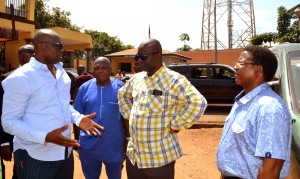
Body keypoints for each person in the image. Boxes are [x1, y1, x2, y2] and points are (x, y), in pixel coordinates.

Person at [1, 29, 104, 179]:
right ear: (42, 46)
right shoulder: (21, 78)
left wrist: (78, 118)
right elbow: (9, 122)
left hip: (64, 155)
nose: (62, 50)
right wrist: (44, 137)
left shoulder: (61, 73)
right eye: (58, 46)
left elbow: (62, 106)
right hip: (35, 156)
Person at [118, 38, 207, 179]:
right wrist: (130, 114)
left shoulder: (174, 80)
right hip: (134, 156)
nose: (138, 60)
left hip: (159, 158)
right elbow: (122, 94)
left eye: (143, 57)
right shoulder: (137, 79)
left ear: (158, 55)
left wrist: (177, 124)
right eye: (136, 56)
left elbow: (198, 103)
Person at [216, 46, 292, 179]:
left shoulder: (269, 108)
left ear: (258, 69)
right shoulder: (243, 101)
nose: (235, 66)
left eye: (242, 63)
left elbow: (271, 167)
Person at [74, 57, 125, 179]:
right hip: (88, 146)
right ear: (93, 70)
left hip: (114, 145)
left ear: (110, 70)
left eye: (104, 68)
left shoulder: (121, 88)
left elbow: (127, 118)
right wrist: (77, 141)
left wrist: (126, 142)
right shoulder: (84, 88)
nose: (100, 71)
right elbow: (76, 116)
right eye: (97, 68)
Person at [0, 44, 34, 179]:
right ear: (20, 56)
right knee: (19, 171)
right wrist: (4, 143)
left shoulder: (46, 76)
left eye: (34, 52)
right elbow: (1, 111)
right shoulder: (7, 78)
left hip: (38, 136)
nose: (34, 55)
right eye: (30, 52)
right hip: (15, 136)